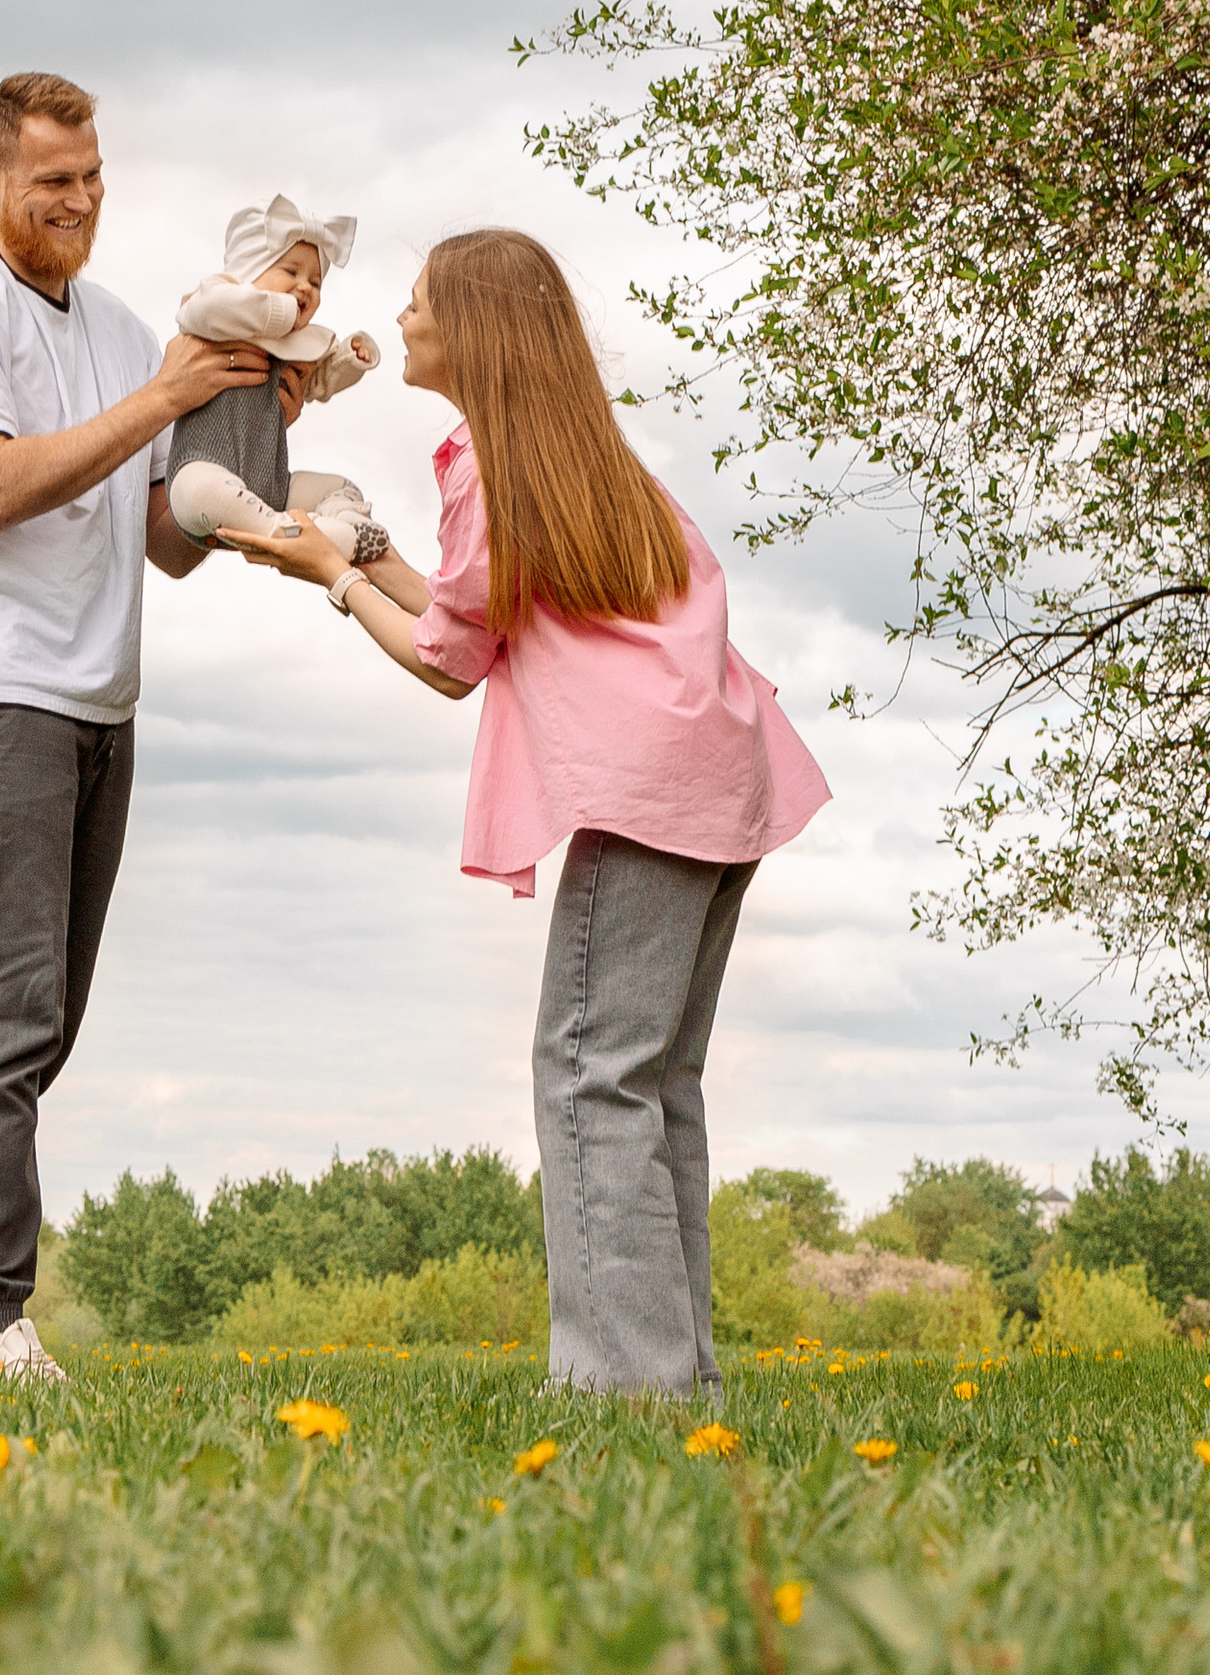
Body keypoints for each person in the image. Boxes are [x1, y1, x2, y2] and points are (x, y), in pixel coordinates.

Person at [227, 226, 828, 1399]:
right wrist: (368, 552)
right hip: (717, 783)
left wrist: (333, 581)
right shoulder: (579, 463)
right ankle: (675, 1378)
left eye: (418, 302)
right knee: (652, 1085)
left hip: (647, 795)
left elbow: (447, 668)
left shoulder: (498, 473)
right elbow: (477, 619)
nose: (400, 318)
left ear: (475, 329)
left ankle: (622, 1388)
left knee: (585, 1073)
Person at [0, 71, 270, 1383]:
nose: (80, 202)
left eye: (93, 178)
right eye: (52, 181)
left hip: (98, 693)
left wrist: (244, 419)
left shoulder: (122, 328)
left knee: (20, 1019)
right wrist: (159, 401)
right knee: (6, 1013)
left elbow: (170, 544)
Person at [162, 192, 393, 565]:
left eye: (315, 282)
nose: (305, 287)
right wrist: (276, 312)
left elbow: (318, 381)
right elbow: (202, 309)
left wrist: (349, 358)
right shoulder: (216, 318)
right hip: (206, 474)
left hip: (273, 487)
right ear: (249, 272)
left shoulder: (297, 345)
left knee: (341, 487)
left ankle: (338, 528)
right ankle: (284, 533)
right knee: (196, 490)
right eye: (290, 272)